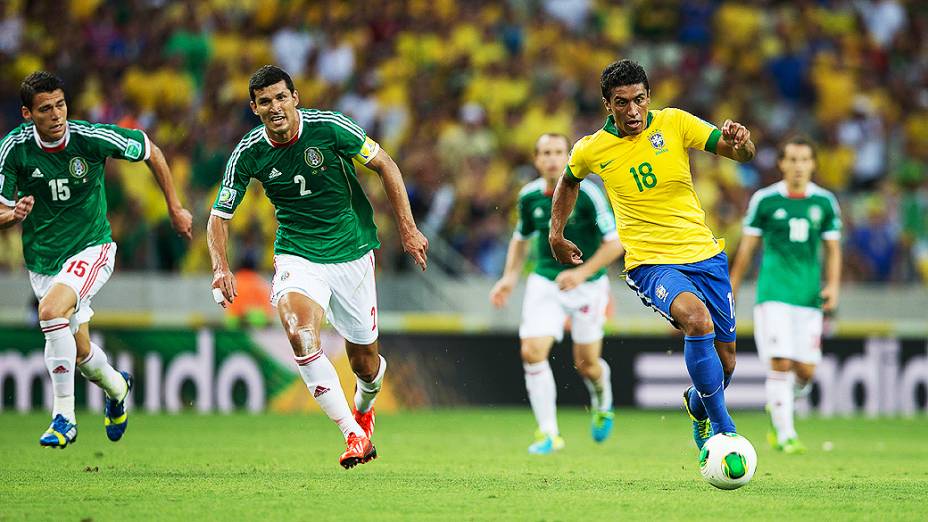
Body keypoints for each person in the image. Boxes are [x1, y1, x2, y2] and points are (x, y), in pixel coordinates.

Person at [207, 65, 428, 469]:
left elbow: (386, 165)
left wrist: (409, 230)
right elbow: (219, 215)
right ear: (253, 108)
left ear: (295, 98)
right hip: (298, 255)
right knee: (300, 334)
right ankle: (352, 434)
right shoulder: (249, 152)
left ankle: (365, 407)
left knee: (366, 365)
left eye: (280, 97)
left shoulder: (330, 128)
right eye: (265, 101)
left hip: (353, 253)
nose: (275, 107)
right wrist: (220, 267)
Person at [548, 59, 756, 450]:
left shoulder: (674, 122)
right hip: (651, 263)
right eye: (622, 102)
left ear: (649, 97)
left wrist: (742, 141)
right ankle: (725, 431)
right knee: (697, 320)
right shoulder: (592, 149)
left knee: (726, 362)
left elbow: (740, 154)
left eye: (639, 100)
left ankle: (698, 405)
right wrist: (555, 233)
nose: (632, 111)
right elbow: (568, 182)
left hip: (705, 255)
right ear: (607, 104)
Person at [0, 71, 193, 448]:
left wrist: (174, 207)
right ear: (27, 113)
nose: (56, 115)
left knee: (51, 312)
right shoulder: (13, 150)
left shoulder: (90, 137)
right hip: (43, 260)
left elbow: (150, 149)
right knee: (80, 349)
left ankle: (63, 418)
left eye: (60, 105)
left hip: (92, 248)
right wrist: (12, 215)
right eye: (45, 109)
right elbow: (0, 210)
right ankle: (118, 387)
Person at [489, 133, 623, 454]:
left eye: (558, 152)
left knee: (586, 364)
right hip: (545, 281)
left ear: (569, 157)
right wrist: (509, 278)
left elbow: (615, 243)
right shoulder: (529, 197)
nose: (552, 158)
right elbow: (521, 239)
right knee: (531, 352)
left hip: (587, 285)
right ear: (536, 160)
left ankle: (602, 399)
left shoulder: (589, 194)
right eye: (546, 153)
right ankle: (548, 433)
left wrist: (581, 273)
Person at [729, 136, 842, 454]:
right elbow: (747, 249)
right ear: (781, 164)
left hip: (808, 298)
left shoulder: (824, 202)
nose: (798, 166)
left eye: (804, 160)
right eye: (791, 160)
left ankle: (781, 404)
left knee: (805, 372)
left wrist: (833, 286)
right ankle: (784, 433)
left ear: (814, 164)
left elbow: (833, 249)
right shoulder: (765, 200)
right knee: (780, 362)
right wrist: (732, 287)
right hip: (773, 294)